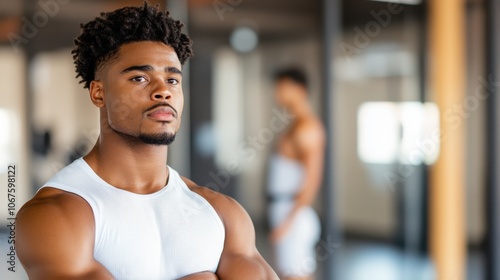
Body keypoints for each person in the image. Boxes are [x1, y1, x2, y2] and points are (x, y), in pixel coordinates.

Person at [16, 3, 278, 279]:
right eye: (140, 78)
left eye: (173, 80)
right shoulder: (55, 215)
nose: (163, 91)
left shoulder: (221, 213)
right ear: (98, 93)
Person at [267, 68, 325, 279]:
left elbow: (312, 180)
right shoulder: (295, 125)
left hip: (294, 214)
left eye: (283, 88)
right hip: (286, 210)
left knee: (296, 276)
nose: (278, 94)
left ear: (300, 90)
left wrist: (288, 222)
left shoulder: (307, 128)